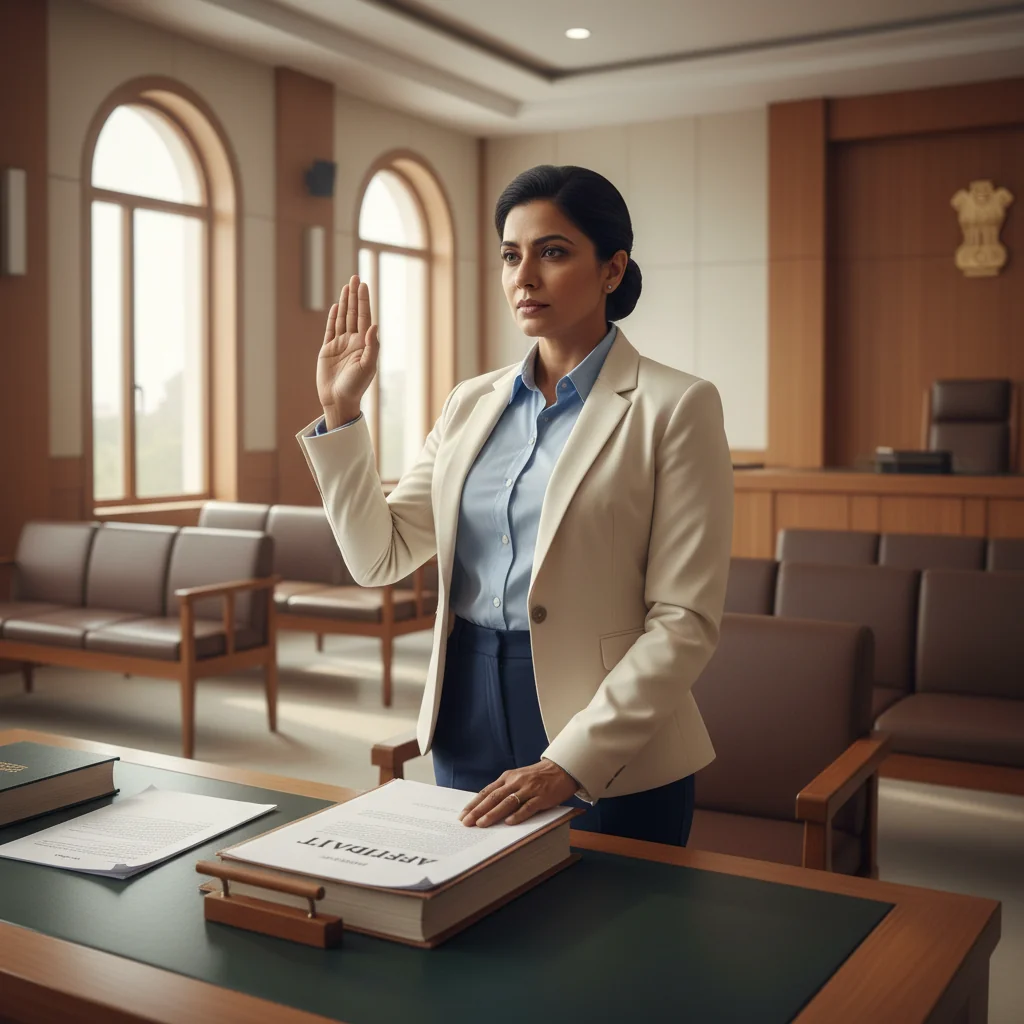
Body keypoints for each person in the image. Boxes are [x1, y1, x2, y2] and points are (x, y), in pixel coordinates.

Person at [298, 164, 733, 847]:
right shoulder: (470, 402)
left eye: (552, 252)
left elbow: (684, 622)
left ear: (612, 270)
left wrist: (569, 762)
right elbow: (378, 557)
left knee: (615, 942)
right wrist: (342, 411)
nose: (523, 276)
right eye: (510, 255)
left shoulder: (676, 406)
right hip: (466, 706)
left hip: (609, 734)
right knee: (477, 926)